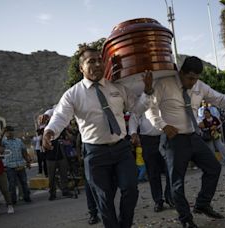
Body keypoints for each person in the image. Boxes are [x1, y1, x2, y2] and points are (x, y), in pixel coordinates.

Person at [42, 46, 153, 228]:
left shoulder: (117, 88)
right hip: (95, 153)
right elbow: (61, 116)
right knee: (104, 199)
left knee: (131, 189)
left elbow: (137, 108)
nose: (97, 64)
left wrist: (148, 91)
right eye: (90, 61)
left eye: (99, 60)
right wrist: (49, 132)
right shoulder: (73, 94)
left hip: (121, 149)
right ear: (81, 68)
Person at [146, 56, 225, 228]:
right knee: (177, 181)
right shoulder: (164, 84)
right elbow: (150, 108)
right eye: (190, 78)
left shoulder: (200, 86)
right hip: (173, 139)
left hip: (193, 136)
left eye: (196, 78)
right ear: (181, 73)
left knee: (214, 167)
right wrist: (163, 126)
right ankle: (186, 219)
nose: (193, 83)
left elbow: (220, 99)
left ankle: (202, 204)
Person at [129, 112, 173, 213]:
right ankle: (158, 201)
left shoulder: (163, 98)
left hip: (165, 137)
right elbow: (134, 117)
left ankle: (170, 197)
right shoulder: (141, 101)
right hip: (148, 140)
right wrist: (133, 133)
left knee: (170, 169)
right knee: (152, 173)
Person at [0, 126, 32, 204]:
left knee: (24, 182)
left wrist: (28, 162)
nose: (10, 132)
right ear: (5, 133)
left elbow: (24, 152)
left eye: (11, 131)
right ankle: (13, 200)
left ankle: (27, 197)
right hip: (9, 166)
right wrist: (1, 134)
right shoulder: (3, 141)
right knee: (12, 184)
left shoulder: (19, 141)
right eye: (7, 131)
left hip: (20, 165)